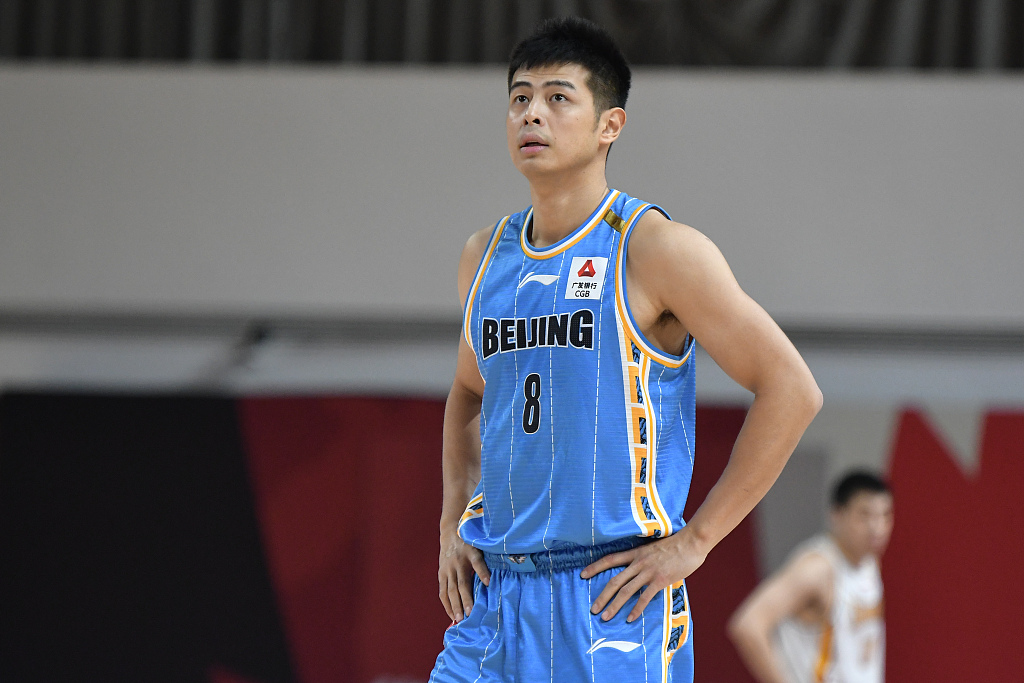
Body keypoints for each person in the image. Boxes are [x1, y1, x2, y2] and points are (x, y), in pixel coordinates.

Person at [431, 16, 822, 683]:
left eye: (557, 97)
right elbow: (470, 391)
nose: (531, 113)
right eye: (520, 97)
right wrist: (451, 520)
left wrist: (696, 541)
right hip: (497, 600)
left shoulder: (656, 249)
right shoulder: (484, 255)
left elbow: (792, 389)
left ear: (609, 125)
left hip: (611, 598)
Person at [727, 471, 893, 683]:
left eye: (885, 516)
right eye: (865, 516)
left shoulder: (869, 561)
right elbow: (747, 625)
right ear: (837, 514)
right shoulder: (817, 569)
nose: (877, 528)